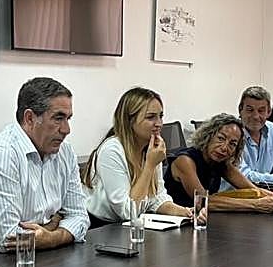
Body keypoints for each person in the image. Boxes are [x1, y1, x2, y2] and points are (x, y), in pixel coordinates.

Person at [0, 77, 89, 253]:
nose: (66, 130)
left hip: (30, 261)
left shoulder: (65, 153)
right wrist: (55, 222)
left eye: (68, 119)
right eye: (58, 118)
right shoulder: (1, 154)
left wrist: (51, 237)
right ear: (29, 118)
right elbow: (8, 239)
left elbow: (80, 216)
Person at [83, 87, 195, 225]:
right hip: (101, 228)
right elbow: (127, 212)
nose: (159, 124)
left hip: (133, 224)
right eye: (150, 117)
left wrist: (185, 212)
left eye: (161, 116)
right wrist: (150, 165)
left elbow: (157, 198)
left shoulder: (151, 147)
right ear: (129, 120)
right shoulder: (112, 150)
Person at [164, 114, 273, 214]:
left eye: (232, 144)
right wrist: (256, 205)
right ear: (208, 136)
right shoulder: (185, 161)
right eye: (221, 138)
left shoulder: (220, 161)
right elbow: (203, 201)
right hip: (177, 225)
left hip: (203, 222)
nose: (224, 148)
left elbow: (251, 189)